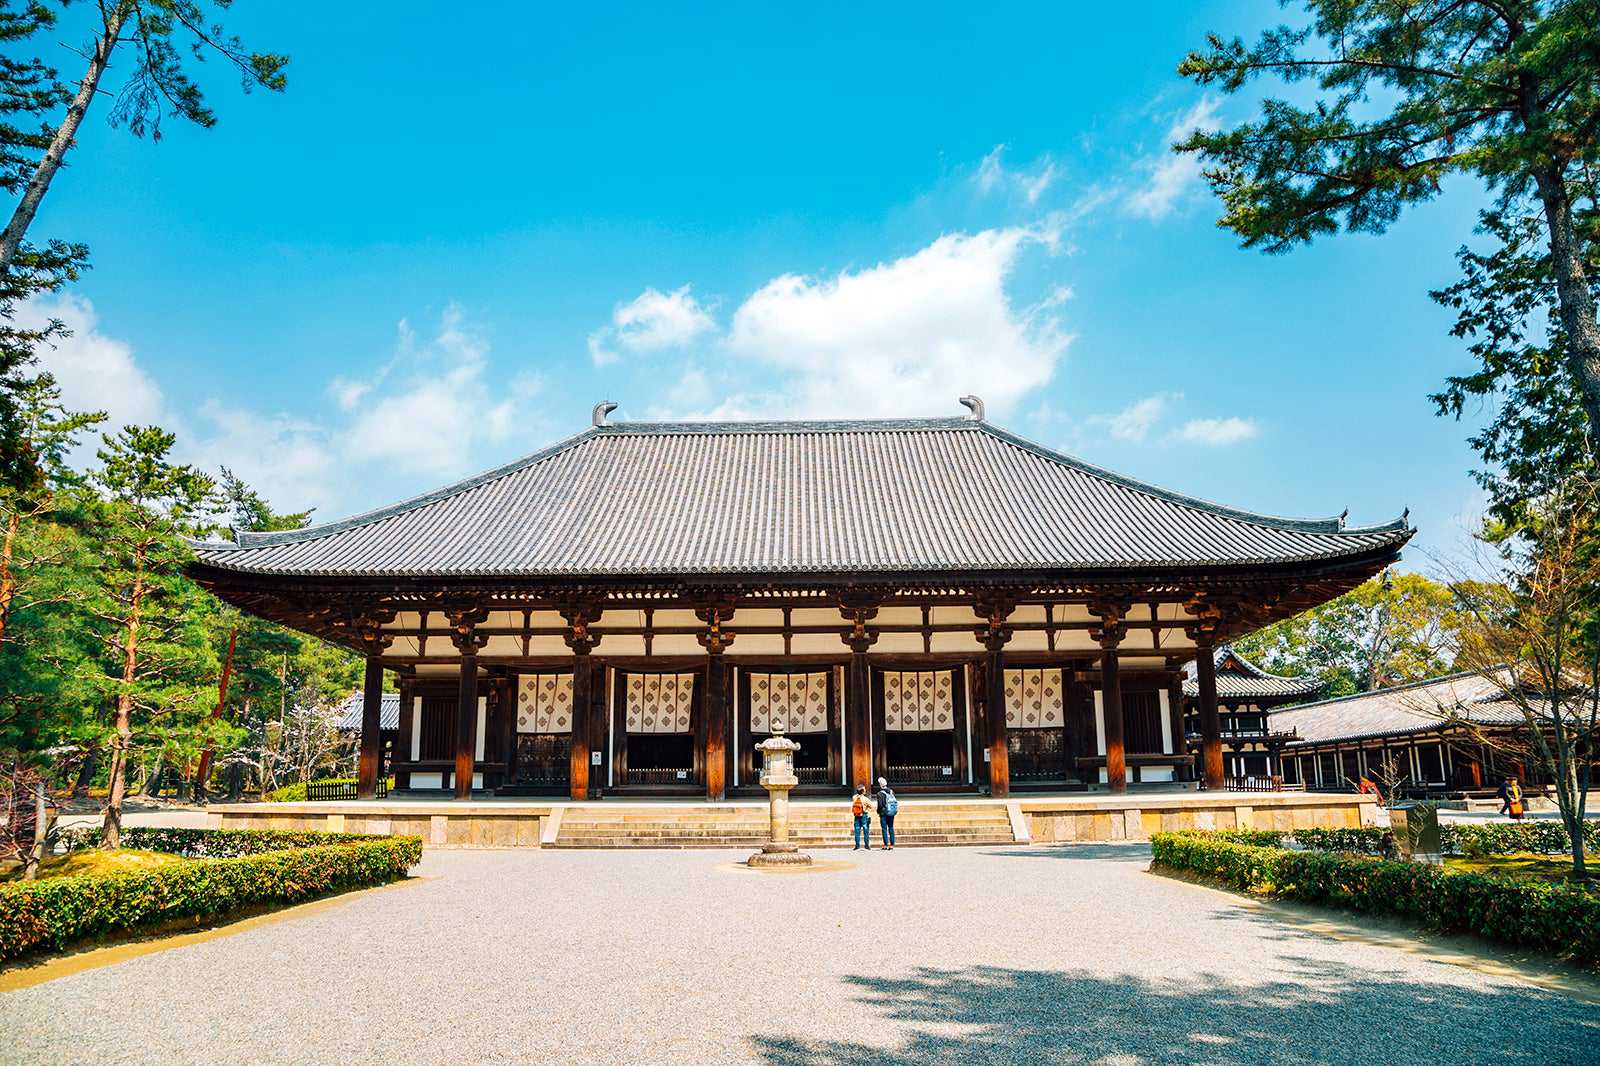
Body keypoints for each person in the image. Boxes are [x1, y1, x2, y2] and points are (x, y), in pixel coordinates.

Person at [875, 777, 898, 849]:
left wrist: (878, 812)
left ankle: (885, 845)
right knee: (891, 827)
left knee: (884, 829)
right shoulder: (891, 791)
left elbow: (880, 805)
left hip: (883, 813)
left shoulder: (880, 793)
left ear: (880, 785)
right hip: (891, 811)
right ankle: (892, 844)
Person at [851, 785, 872, 850]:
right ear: (863, 791)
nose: (865, 790)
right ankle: (866, 845)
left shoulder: (854, 797)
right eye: (864, 789)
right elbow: (871, 806)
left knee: (857, 830)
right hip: (864, 815)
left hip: (856, 815)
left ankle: (857, 845)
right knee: (866, 830)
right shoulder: (866, 799)